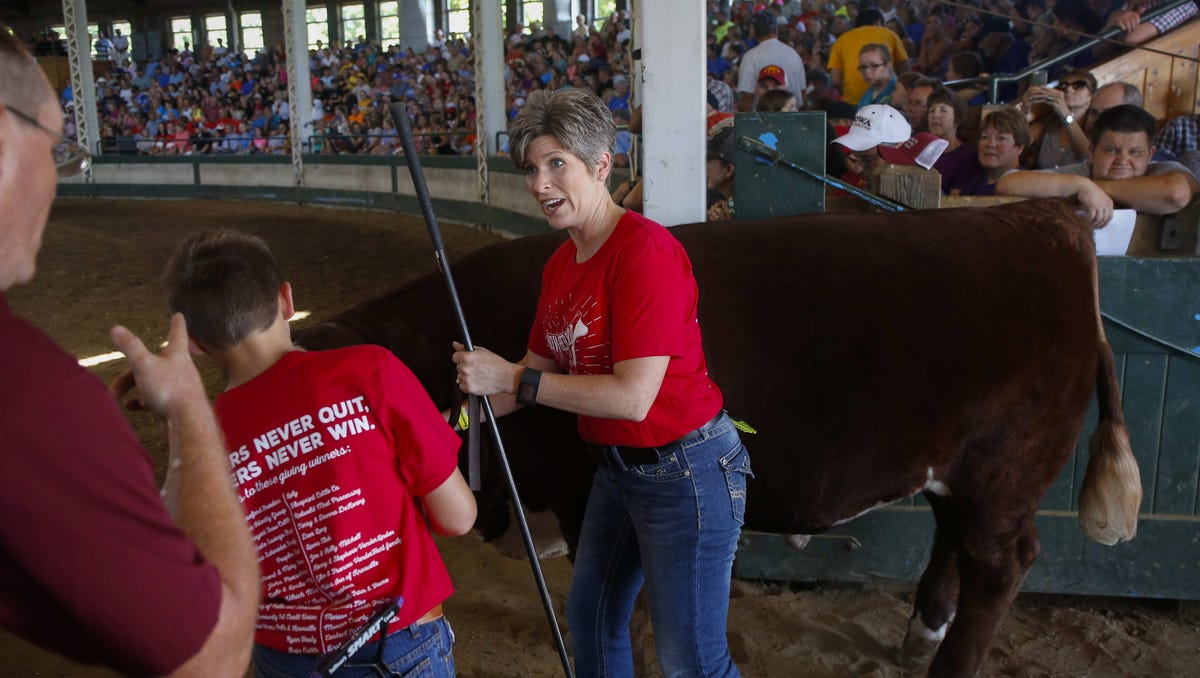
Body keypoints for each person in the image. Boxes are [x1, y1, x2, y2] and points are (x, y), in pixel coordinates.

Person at [452, 87, 750, 677]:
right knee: (590, 622)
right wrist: (454, 419)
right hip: (618, 470)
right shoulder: (561, 263)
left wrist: (507, 375)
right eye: (533, 169)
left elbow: (632, 398)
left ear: (602, 165)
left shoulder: (644, 253)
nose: (540, 184)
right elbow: (531, 379)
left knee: (691, 660)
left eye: (557, 164)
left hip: (686, 472)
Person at [0, 27, 259, 676]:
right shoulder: (28, 394)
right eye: (57, 148)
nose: (57, 183)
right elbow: (216, 656)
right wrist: (191, 411)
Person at [162, 229, 477, 676]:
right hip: (396, 643)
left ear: (191, 341)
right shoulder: (370, 371)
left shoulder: (199, 437)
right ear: (286, 300)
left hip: (282, 654)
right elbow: (458, 517)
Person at [998, 104, 1200, 226]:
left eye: (1135, 152)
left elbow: (1177, 193)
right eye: (1111, 150)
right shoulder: (1082, 173)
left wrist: (1095, 188)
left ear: (1150, 154)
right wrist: (1081, 185)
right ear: (1092, 151)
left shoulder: (1160, 171)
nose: (1122, 161)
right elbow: (1007, 184)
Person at [827, 8, 909, 105]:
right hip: (887, 102)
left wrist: (850, 94)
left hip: (853, 103)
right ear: (878, 21)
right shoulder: (890, 34)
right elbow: (905, 70)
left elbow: (835, 79)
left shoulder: (842, 39)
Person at [1020, 68, 1095, 169]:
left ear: (1091, 96)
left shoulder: (1097, 126)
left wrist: (1064, 112)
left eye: (1078, 85)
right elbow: (1018, 143)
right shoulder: (1048, 123)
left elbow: (1089, 158)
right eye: (1064, 86)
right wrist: (1025, 110)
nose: (1068, 89)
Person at [946, 106, 1031, 196]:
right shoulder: (973, 183)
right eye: (985, 137)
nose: (990, 144)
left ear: (1020, 148)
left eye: (1001, 138)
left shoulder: (1025, 185)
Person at [737, 11, 806, 111]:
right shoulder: (793, 54)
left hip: (764, 122)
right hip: (793, 119)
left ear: (754, 32)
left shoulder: (751, 56)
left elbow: (747, 99)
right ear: (776, 30)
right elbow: (803, 94)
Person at [925, 86, 981, 193]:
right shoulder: (921, 151)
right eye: (931, 111)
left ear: (957, 118)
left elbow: (954, 199)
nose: (935, 115)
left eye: (943, 111)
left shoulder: (968, 157)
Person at [856, 43, 897, 109]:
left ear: (887, 65)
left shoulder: (897, 92)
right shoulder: (867, 94)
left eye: (874, 66)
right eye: (863, 67)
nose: (867, 72)